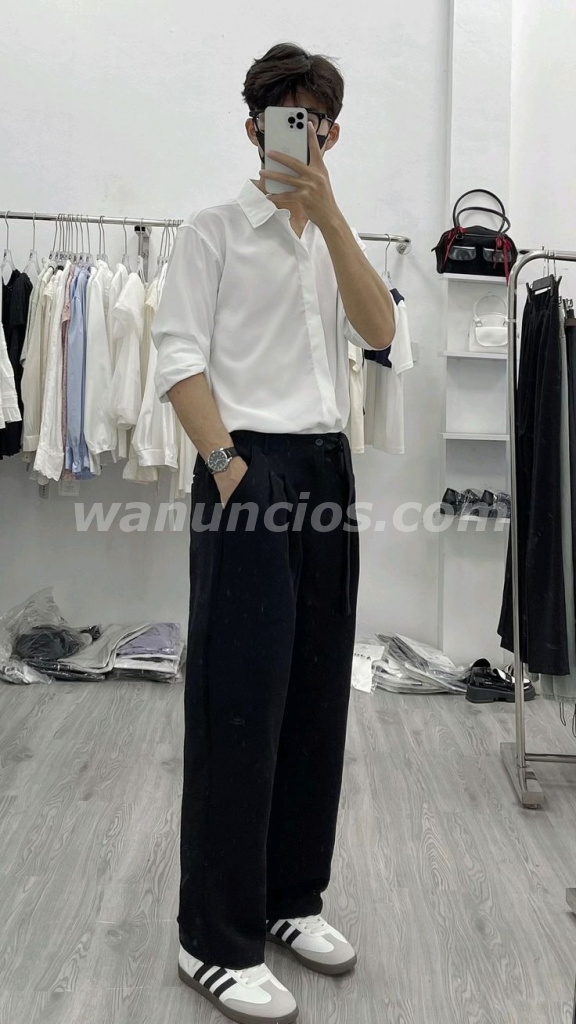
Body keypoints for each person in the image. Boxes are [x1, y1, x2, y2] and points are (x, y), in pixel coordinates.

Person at [151, 42, 396, 1024]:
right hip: (247, 465)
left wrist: (331, 215)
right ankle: (211, 940)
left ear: (333, 134)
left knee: (314, 699)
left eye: (318, 123)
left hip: (328, 470)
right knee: (238, 703)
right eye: (288, 119)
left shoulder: (335, 239)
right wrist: (228, 470)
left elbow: (380, 332)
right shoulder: (211, 232)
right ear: (254, 127)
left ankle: (292, 899)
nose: (305, 136)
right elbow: (178, 360)